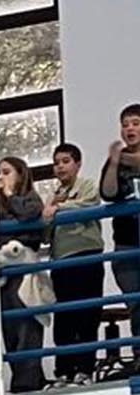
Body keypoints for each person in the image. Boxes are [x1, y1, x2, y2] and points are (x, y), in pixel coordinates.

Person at [45, 143, 105, 385]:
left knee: (87, 315)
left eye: (66, 161)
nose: (60, 166)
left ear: (77, 164)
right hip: (61, 260)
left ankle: (85, 369)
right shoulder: (53, 195)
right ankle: (64, 371)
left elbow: (90, 203)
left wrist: (57, 208)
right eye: (57, 162)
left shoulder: (87, 186)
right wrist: (50, 211)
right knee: (64, 318)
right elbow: (46, 226)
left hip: (86, 255)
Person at [0, 156, 49, 393]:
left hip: (24, 266)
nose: (1, 177)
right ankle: (23, 376)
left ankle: (27, 381)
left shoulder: (30, 198)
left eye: (6, 172)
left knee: (27, 322)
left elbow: (28, 215)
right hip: (4, 270)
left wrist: (9, 195)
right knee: (9, 327)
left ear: (20, 174)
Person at [98, 104, 140, 368]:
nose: (129, 129)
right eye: (125, 124)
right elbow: (108, 192)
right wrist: (114, 161)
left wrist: (124, 158)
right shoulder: (117, 159)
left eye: (135, 123)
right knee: (137, 304)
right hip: (127, 242)